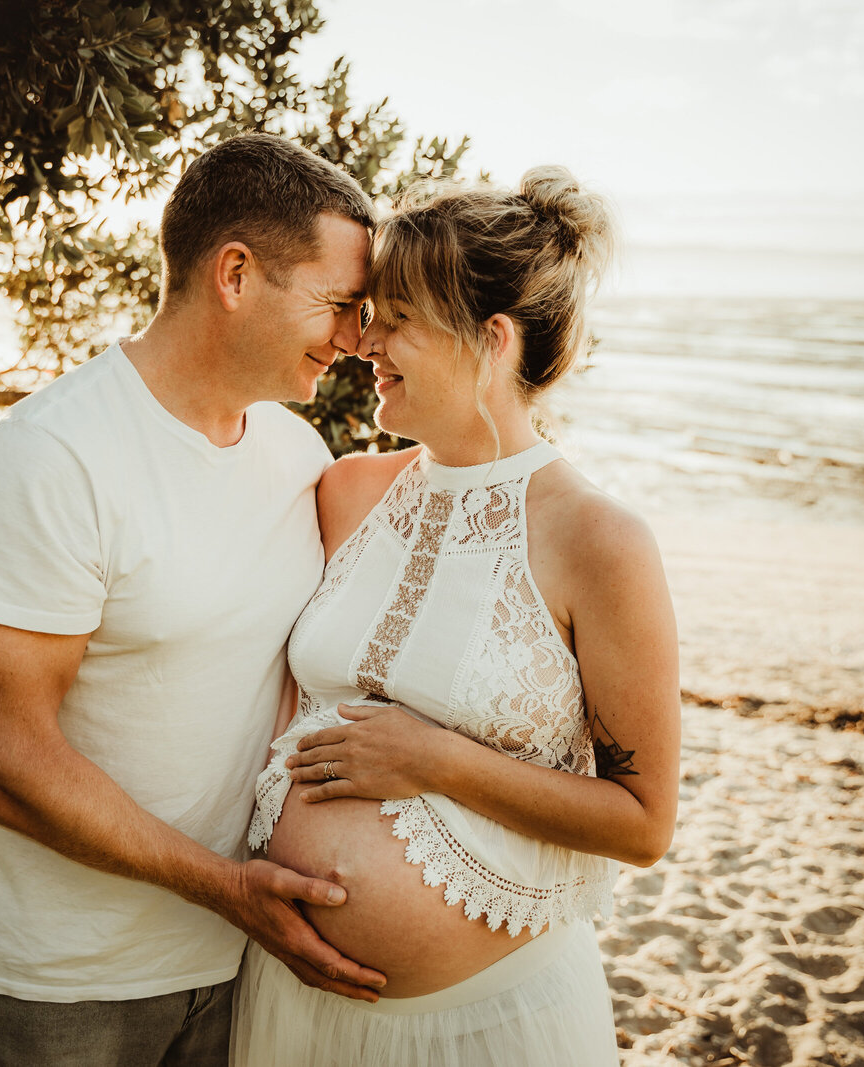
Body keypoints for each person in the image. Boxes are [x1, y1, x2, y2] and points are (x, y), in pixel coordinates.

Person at [0, 133, 390, 1067]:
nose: (352, 340)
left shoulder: (296, 454)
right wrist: (225, 886)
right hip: (65, 994)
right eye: (338, 305)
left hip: (245, 972)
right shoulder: (46, 460)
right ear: (234, 274)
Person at [231, 167, 681, 1066]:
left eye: (397, 317)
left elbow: (642, 822)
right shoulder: (345, 490)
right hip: (288, 1002)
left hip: (489, 1026)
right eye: (369, 313)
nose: (366, 340)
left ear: (493, 340)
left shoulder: (601, 542)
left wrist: (433, 758)